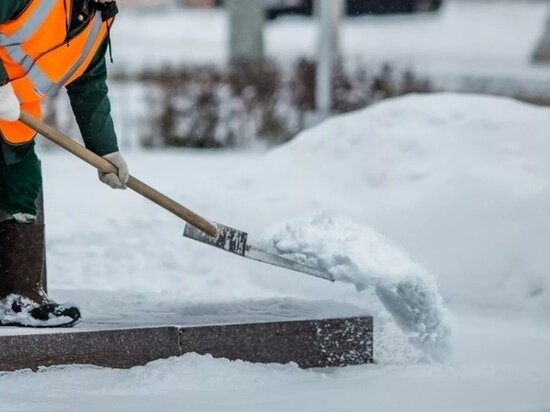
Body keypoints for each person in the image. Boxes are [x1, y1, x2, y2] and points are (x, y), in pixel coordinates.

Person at [0, 0, 129, 327]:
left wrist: (105, 151)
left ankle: (17, 298)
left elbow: (89, 82)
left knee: (21, 183)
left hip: (14, 117)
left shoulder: (98, 21)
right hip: (5, 98)